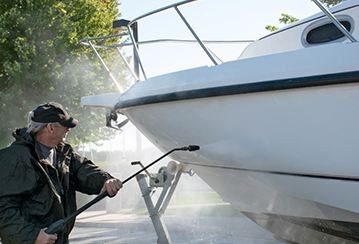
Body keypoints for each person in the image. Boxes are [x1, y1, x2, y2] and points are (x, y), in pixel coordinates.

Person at [0, 102, 123, 244]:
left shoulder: (63, 152)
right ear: (51, 127)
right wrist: (33, 236)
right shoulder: (16, 158)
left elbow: (83, 169)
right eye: (65, 125)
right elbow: (3, 210)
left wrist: (105, 180)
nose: (69, 130)